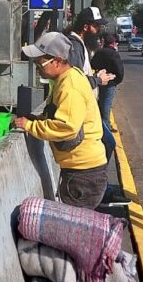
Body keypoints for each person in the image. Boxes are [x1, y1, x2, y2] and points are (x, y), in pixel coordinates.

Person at [12, 32, 108, 209]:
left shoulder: (70, 86)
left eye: (40, 63)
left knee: (74, 230)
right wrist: (38, 119)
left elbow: (66, 127)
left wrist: (30, 125)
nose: (37, 68)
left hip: (83, 173)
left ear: (56, 60)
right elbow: (57, 114)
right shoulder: (65, 79)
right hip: (81, 169)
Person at [90, 33, 124, 160]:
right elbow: (120, 71)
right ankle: (106, 130)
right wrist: (116, 81)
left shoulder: (100, 52)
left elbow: (93, 64)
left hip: (100, 81)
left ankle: (105, 126)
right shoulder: (113, 54)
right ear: (113, 43)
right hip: (110, 83)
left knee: (102, 104)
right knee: (106, 106)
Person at [66, 7, 115, 90]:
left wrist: (96, 76)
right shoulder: (75, 46)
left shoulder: (80, 43)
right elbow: (75, 81)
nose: (98, 30)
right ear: (85, 27)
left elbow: (81, 74)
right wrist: (98, 80)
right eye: (96, 26)